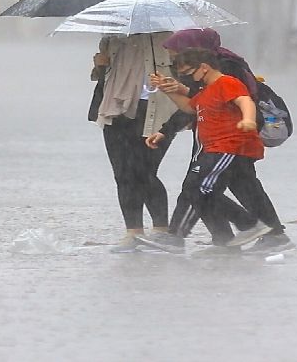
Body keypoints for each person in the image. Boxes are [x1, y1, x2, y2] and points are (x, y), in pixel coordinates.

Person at [144, 47, 286, 252]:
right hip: (213, 148)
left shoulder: (226, 82)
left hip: (226, 146)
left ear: (204, 68)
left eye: (189, 73)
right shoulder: (206, 91)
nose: (188, 79)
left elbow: (244, 100)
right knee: (197, 191)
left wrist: (247, 119)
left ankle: (248, 224)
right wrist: (167, 90)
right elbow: (190, 108)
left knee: (199, 189)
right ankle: (223, 238)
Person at [90, 32, 180, 252]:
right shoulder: (112, 38)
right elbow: (103, 76)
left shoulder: (169, 39)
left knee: (145, 172)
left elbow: (185, 74)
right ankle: (133, 232)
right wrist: (99, 65)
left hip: (156, 111)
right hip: (115, 109)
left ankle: (160, 230)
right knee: (122, 173)